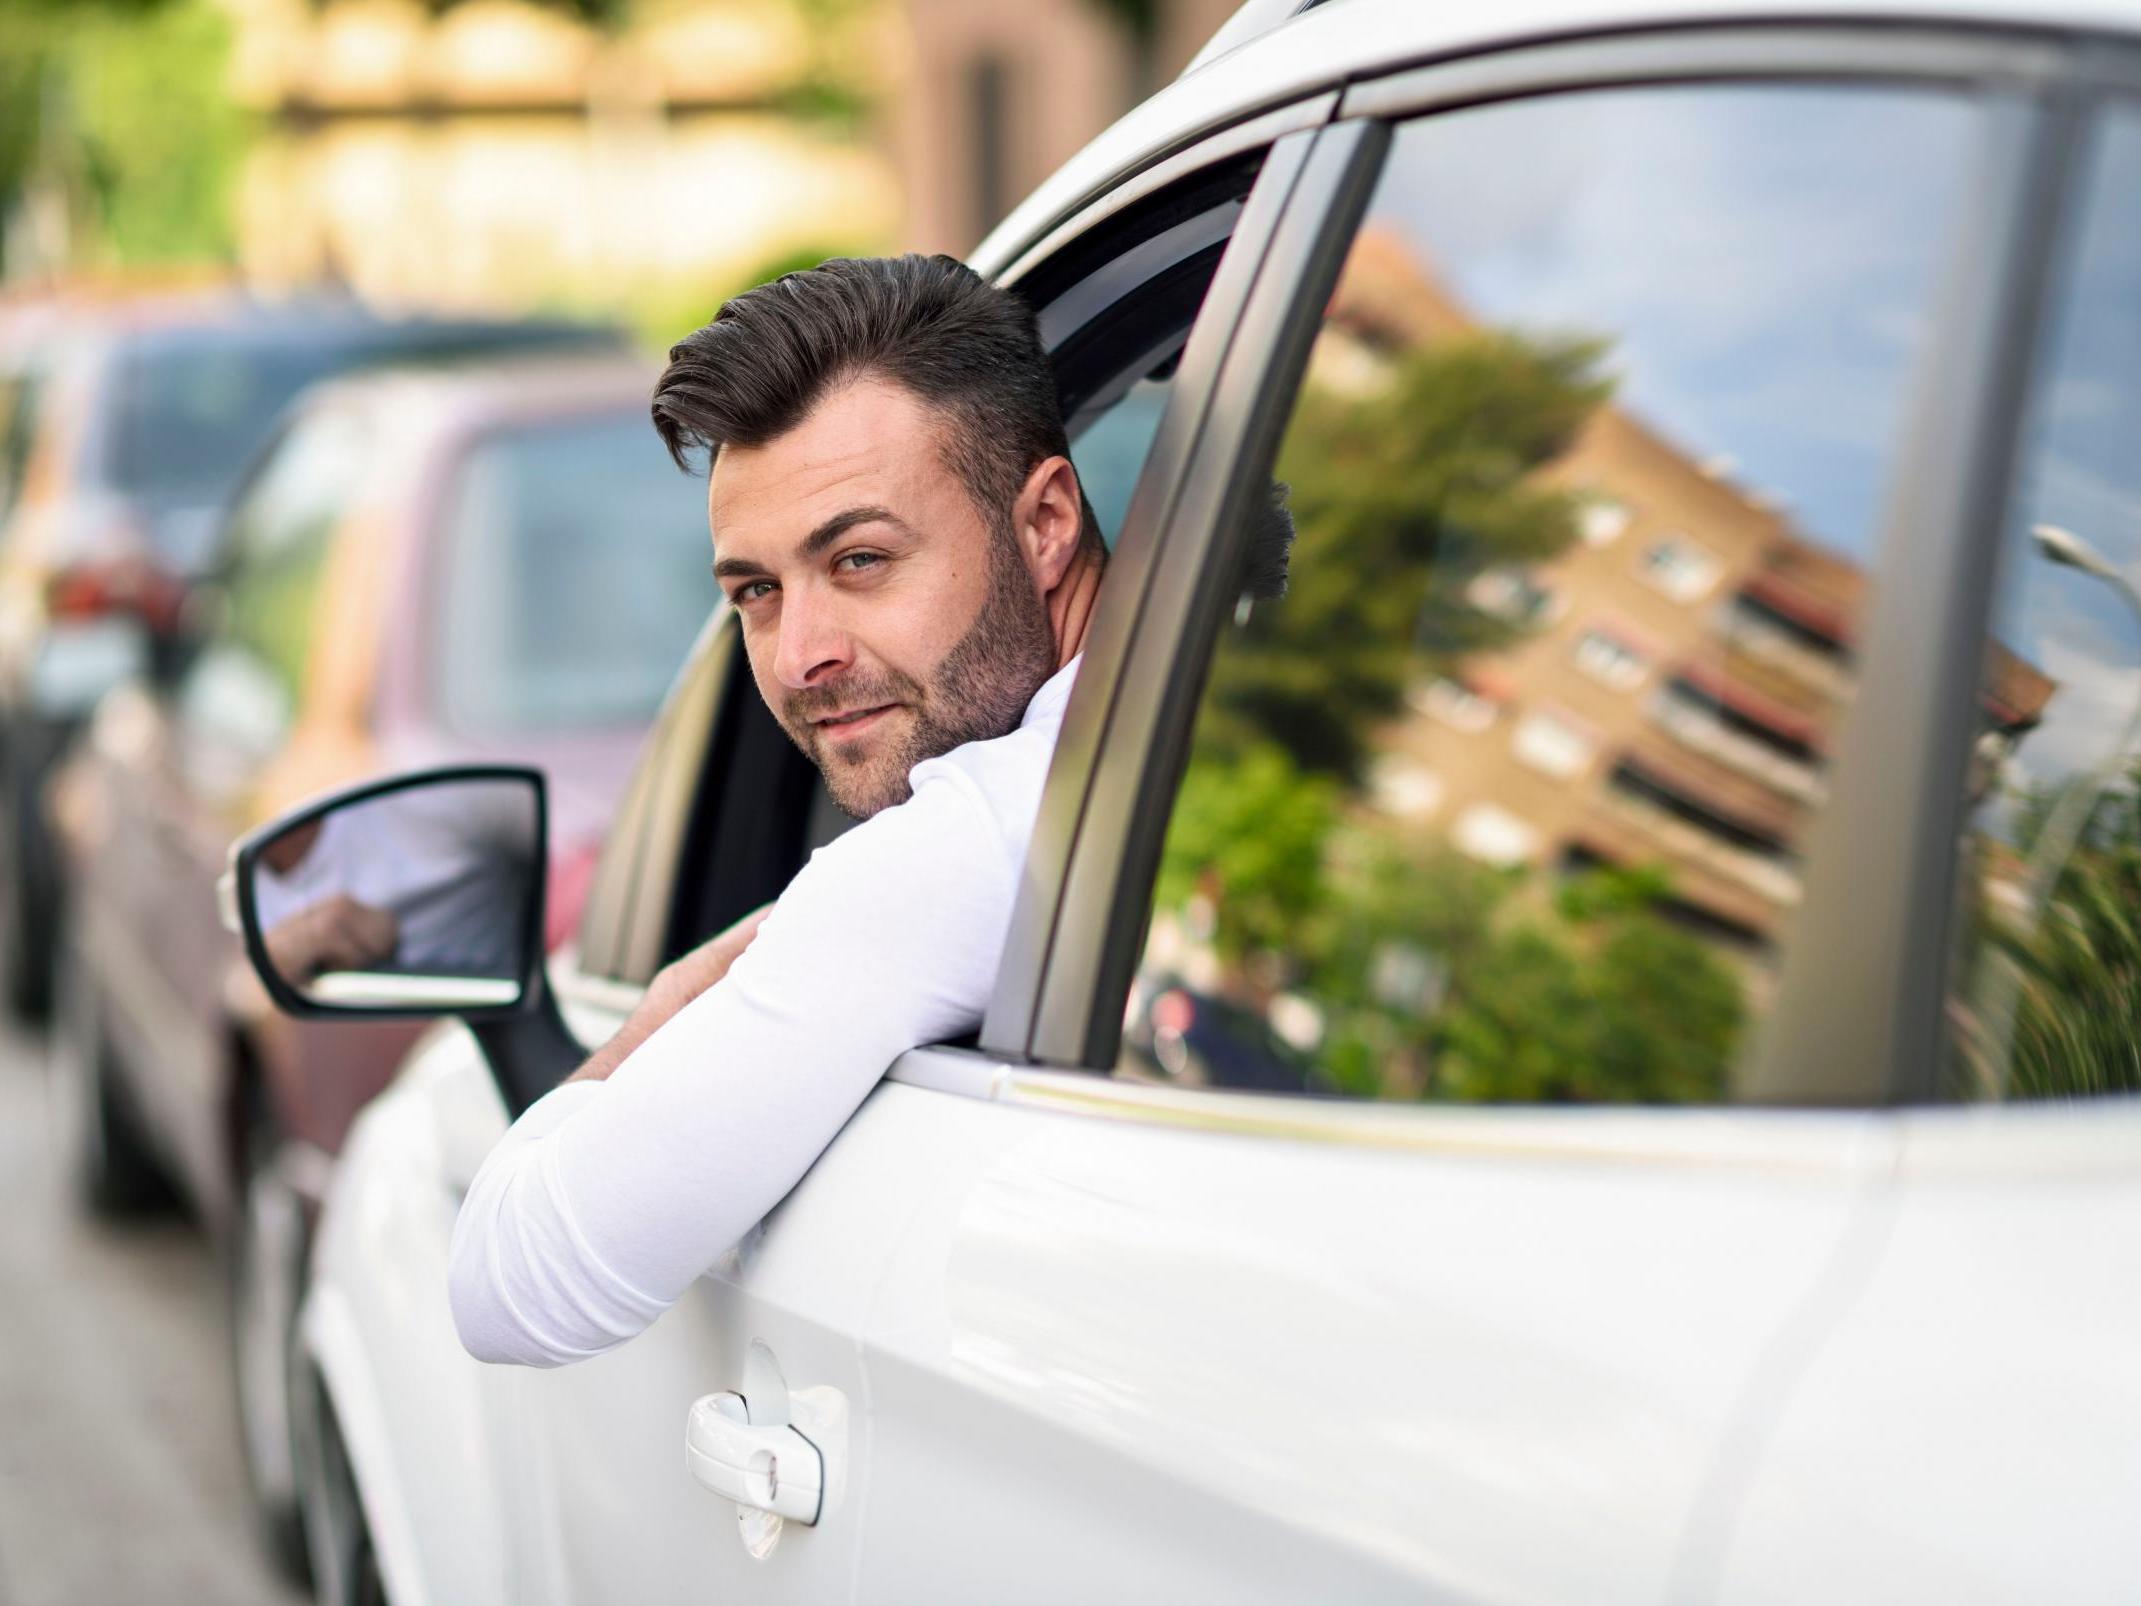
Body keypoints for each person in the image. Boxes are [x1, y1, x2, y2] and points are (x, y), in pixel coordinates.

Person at [446, 256, 1107, 1366]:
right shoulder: (1196, 718)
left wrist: (651, 1027)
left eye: (859, 560)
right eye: (755, 591)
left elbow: (509, 1289)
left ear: (1043, 522)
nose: (801, 657)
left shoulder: (966, 845)